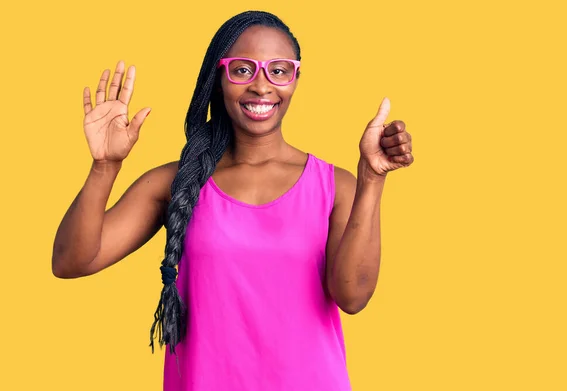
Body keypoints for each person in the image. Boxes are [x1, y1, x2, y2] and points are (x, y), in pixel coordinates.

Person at [52, 10, 413, 391]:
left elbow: (353, 296)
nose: (262, 86)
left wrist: (371, 178)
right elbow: (72, 261)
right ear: (219, 77)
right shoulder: (176, 183)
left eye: (279, 70)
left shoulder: (335, 185)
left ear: (295, 78)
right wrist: (105, 166)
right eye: (243, 70)